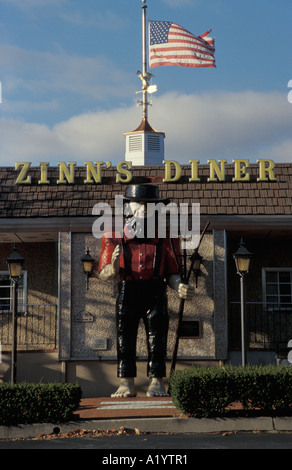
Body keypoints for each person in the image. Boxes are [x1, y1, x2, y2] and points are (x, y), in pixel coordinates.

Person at [98, 184, 194, 398]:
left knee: (157, 337)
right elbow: (103, 273)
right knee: (125, 336)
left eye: (149, 205)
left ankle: (156, 382)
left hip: (155, 291)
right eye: (139, 203)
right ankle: (125, 383)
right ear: (127, 208)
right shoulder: (113, 237)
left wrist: (179, 285)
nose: (143, 208)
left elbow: (172, 272)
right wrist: (112, 268)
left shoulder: (167, 238)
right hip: (128, 291)